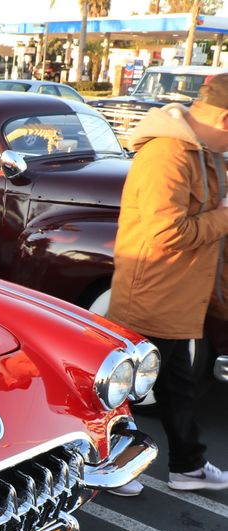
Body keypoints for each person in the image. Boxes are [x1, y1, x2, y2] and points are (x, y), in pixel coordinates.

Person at [106, 74, 228, 496]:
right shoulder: (168, 153)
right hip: (153, 293)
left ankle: (186, 465)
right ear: (226, 119)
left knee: (172, 387)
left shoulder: (206, 153)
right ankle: (113, 465)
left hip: (177, 297)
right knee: (121, 388)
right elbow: (167, 232)